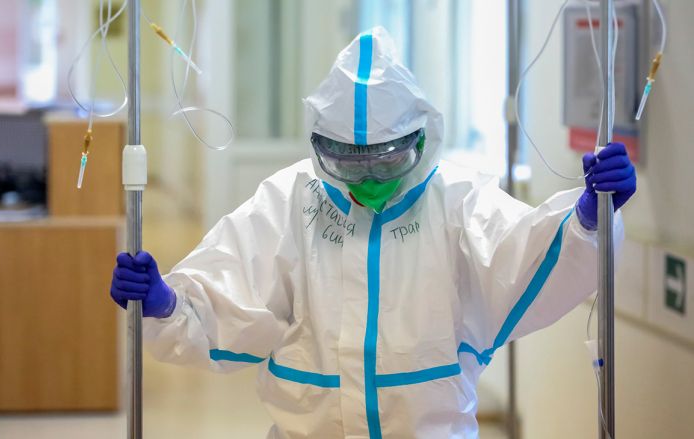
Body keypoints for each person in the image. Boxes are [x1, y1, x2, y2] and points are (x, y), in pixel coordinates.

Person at [110, 27, 635, 438]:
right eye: (347, 163)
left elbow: (523, 254)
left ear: (419, 142)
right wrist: (165, 304)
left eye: (384, 162)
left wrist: (587, 219)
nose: (366, 181)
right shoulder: (293, 200)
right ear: (321, 149)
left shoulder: (456, 200)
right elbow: (229, 289)